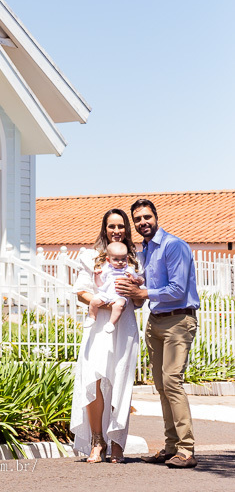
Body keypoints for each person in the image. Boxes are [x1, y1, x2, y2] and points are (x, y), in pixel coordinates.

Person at [115, 198, 200, 470]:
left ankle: (186, 450)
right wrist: (138, 283)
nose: (143, 223)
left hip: (178, 320)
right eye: (138, 219)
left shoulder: (174, 246)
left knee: (172, 382)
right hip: (156, 321)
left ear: (156, 216)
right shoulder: (146, 250)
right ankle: (171, 446)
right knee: (162, 386)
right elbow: (150, 284)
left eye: (147, 217)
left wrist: (143, 292)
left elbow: (176, 289)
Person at [70, 208, 142, 463]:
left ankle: (117, 442)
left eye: (121, 226)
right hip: (98, 325)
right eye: (111, 226)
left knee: (120, 381)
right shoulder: (92, 258)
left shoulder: (134, 260)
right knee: (95, 380)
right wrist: (102, 303)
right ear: (105, 228)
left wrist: (132, 292)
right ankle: (97, 441)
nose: (116, 231)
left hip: (124, 327)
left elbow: (140, 301)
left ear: (126, 229)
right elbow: (81, 292)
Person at [84, 241, 143, 332]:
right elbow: (100, 284)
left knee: (119, 306)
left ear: (127, 258)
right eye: (116, 259)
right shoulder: (106, 270)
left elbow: (138, 281)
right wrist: (97, 276)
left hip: (120, 295)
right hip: (106, 293)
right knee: (94, 301)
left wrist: (135, 280)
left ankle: (111, 323)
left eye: (123, 259)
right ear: (108, 260)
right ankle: (92, 317)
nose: (120, 262)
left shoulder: (129, 270)